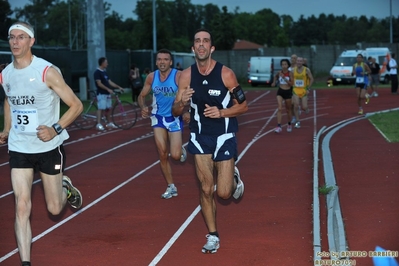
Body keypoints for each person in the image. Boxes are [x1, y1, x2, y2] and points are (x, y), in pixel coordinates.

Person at [0, 21, 83, 266]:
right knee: (22, 205)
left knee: (55, 209)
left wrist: (55, 128)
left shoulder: (47, 71)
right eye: (11, 37)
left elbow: (76, 105)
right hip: (19, 148)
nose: (15, 42)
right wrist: (7, 128)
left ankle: (64, 185)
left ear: (31, 41)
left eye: (21, 37)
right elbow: (9, 100)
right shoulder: (5, 74)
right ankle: (25, 262)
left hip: (49, 148)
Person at [172, 28, 248, 254]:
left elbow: (243, 106)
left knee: (223, 193)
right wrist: (181, 103)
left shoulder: (226, 74)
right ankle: (213, 235)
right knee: (206, 188)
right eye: (198, 41)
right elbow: (176, 110)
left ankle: (233, 179)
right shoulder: (185, 76)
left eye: (206, 41)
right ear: (193, 48)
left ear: (212, 48)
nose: (202, 45)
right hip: (199, 136)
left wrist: (222, 113)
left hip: (224, 135)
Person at [138, 49, 187, 199]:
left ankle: (180, 151)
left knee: (176, 156)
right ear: (156, 61)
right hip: (157, 118)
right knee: (162, 153)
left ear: (170, 62)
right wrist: (143, 107)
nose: (162, 62)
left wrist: (186, 110)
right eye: (159, 59)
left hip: (173, 118)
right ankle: (171, 186)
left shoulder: (178, 76)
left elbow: (187, 95)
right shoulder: (152, 77)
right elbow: (142, 95)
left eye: (165, 59)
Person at [94, 57, 124, 130]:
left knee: (109, 108)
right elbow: (99, 84)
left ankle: (109, 123)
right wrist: (108, 89)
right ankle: (98, 124)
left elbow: (109, 82)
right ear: (102, 63)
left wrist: (118, 87)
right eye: (106, 62)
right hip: (101, 93)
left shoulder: (104, 72)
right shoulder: (97, 72)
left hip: (107, 94)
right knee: (101, 108)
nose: (107, 64)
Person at [290, 57, 314, 128]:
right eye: (298, 61)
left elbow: (311, 79)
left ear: (303, 62)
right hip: (296, 89)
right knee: (296, 105)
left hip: (304, 90)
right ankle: (298, 121)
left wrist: (308, 88)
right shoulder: (292, 70)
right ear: (296, 62)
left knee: (304, 107)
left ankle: (306, 109)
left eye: (300, 61)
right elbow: (291, 80)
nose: (299, 62)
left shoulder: (306, 70)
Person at [271, 58, 293, 133]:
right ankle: (279, 126)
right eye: (282, 64)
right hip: (280, 91)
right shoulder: (279, 72)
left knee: (288, 109)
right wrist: (274, 82)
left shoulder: (290, 73)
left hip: (288, 91)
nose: (284, 66)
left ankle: (289, 123)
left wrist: (284, 78)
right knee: (279, 108)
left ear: (288, 65)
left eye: (285, 64)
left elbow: (291, 84)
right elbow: (275, 77)